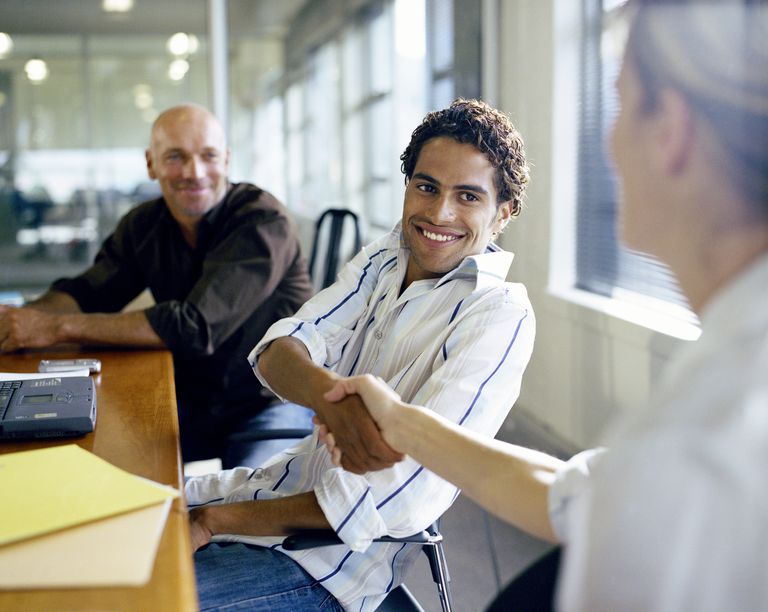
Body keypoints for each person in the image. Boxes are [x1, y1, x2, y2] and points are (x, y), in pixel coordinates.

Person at [319, 1, 768, 610]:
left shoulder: (713, 424)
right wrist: (400, 422)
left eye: (618, 101)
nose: (607, 142)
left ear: (671, 133)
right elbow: (570, 495)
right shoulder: (729, 365)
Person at [185, 98, 536, 611]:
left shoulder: (498, 316)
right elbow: (278, 350)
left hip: (327, 569)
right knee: (102, 534)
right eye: (426, 186)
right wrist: (332, 402)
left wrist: (214, 521)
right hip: (272, 489)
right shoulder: (386, 258)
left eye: (468, 196)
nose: (440, 213)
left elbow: (399, 497)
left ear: (503, 212)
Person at [0, 104, 314, 469]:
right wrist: (20, 320)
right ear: (151, 164)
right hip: (190, 398)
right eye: (175, 157)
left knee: (245, 509)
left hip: (268, 403)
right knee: (97, 464)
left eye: (208, 156)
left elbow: (192, 326)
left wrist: (52, 328)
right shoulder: (144, 224)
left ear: (226, 160)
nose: (194, 173)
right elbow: (87, 292)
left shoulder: (262, 220)